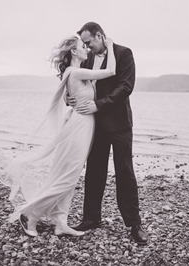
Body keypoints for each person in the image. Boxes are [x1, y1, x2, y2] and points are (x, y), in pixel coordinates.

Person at [0, 33, 116, 238]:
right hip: (79, 127)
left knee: (70, 175)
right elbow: (111, 71)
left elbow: (74, 95)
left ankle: (61, 223)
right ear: (74, 51)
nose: (87, 49)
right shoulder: (75, 72)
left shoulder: (73, 72)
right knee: (68, 176)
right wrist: (109, 45)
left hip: (83, 126)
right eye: (83, 46)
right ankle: (30, 214)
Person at [69, 22, 147, 245]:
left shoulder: (124, 53)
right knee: (94, 172)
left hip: (120, 124)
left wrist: (99, 104)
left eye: (89, 41)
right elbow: (81, 82)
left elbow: (125, 86)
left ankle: (134, 224)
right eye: (84, 43)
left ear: (100, 36)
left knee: (125, 173)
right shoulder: (89, 57)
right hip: (95, 124)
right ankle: (91, 218)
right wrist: (70, 98)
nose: (87, 46)